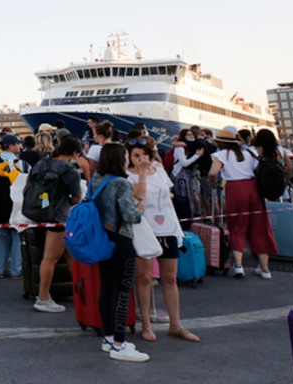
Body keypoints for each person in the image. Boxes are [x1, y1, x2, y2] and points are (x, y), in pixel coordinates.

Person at [126, 140, 198, 343]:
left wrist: (176, 226)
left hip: (167, 227)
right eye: (135, 155)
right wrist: (141, 171)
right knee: (145, 278)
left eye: (143, 155)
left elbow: (169, 197)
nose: (140, 159)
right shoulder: (127, 176)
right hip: (144, 229)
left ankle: (176, 324)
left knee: (170, 278)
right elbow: (138, 195)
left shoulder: (159, 171)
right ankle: (146, 324)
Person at [90, 143, 148, 362]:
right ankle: (119, 344)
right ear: (119, 159)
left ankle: (109, 337)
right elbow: (129, 215)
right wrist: (140, 209)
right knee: (122, 290)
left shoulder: (96, 180)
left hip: (102, 239)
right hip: (121, 239)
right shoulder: (121, 183)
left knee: (106, 288)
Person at [209, 129, 278, 278]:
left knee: (237, 226)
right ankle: (265, 268)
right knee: (260, 226)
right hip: (253, 188)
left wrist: (212, 183)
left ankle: (239, 266)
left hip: (235, 189)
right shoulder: (250, 153)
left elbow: (213, 173)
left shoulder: (221, 154)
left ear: (220, 143)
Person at [32, 136, 85, 312]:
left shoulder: (42, 163)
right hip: (59, 217)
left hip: (40, 212)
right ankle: (43, 298)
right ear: (75, 153)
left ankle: (82, 292)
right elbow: (76, 198)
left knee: (71, 254)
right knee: (51, 258)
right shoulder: (70, 171)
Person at [0, 134, 25, 279]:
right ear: (11, 146)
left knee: (2, 236)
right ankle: (16, 270)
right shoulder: (22, 164)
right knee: (16, 236)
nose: (19, 146)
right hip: (16, 204)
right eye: (17, 144)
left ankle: (0, 269)